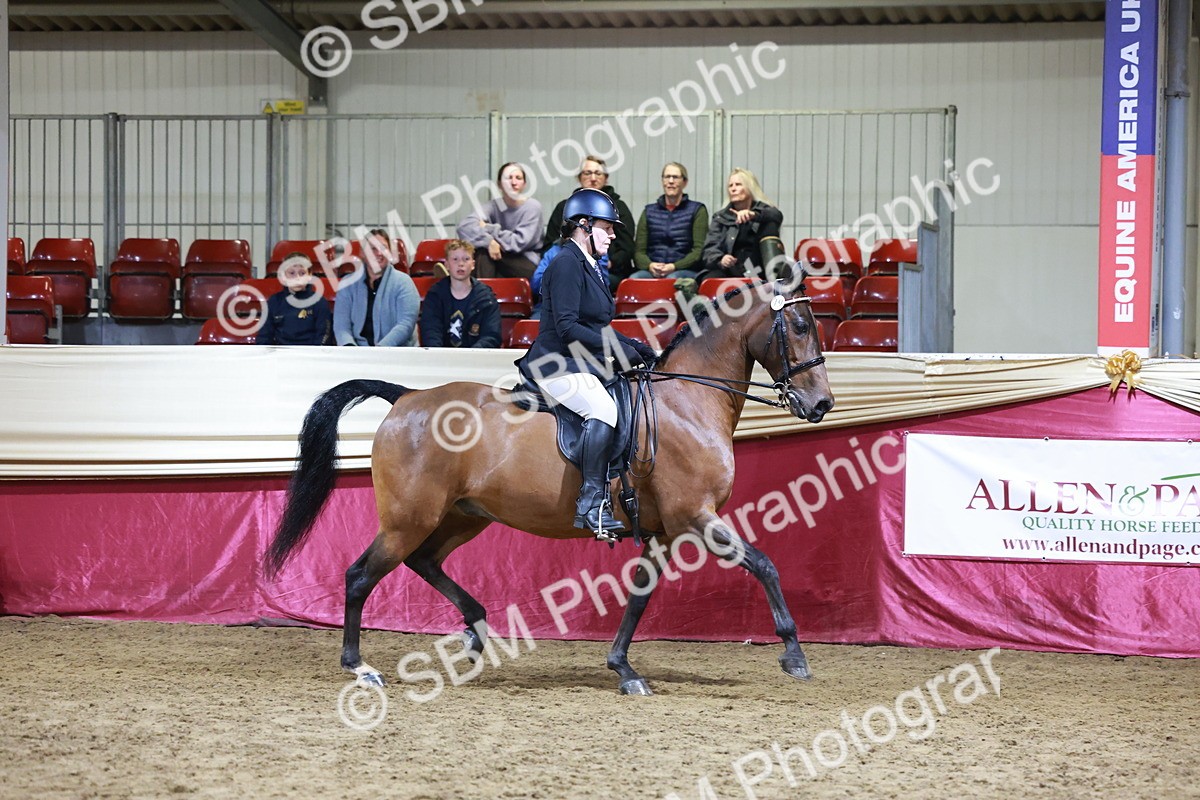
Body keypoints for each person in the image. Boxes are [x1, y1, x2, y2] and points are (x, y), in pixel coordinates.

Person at [517, 188, 657, 541]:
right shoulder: (566, 262)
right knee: (602, 409)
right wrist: (617, 348)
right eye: (607, 228)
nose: (612, 236)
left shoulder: (591, 265)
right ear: (584, 225)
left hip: (580, 361)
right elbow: (567, 327)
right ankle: (591, 504)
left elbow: (598, 326)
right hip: (555, 362)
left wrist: (635, 347)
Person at [542, 156, 636, 289]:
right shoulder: (565, 207)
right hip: (567, 266)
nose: (593, 178)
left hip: (609, 271)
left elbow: (627, 247)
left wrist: (610, 263)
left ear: (606, 178)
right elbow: (549, 244)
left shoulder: (618, 207)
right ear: (579, 177)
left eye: (598, 173)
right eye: (587, 173)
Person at [456, 162, 543, 279]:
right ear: (499, 184)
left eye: (518, 178)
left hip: (526, 262)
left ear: (524, 184)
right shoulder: (494, 206)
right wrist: (489, 242)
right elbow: (464, 227)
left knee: (484, 253)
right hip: (500, 259)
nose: (513, 182)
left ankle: (458, 279)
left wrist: (488, 228)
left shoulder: (532, 207)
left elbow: (517, 243)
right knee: (484, 250)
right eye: (508, 178)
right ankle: (473, 284)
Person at [333, 233, 420, 347]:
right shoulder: (346, 284)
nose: (379, 253)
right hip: (356, 352)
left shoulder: (404, 282)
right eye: (373, 248)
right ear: (362, 253)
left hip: (396, 352)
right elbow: (341, 326)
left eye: (384, 248)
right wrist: (350, 349)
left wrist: (379, 351)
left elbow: (405, 324)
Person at [699, 168, 786, 281]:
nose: (733, 189)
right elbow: (710, 248)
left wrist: (754, 215)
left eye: (738, 184)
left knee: (769, 222)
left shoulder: (764, 210)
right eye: (730, 186)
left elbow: (777, 215)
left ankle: (775, 277)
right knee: (709, 280)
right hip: (731, 269)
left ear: (750, 188)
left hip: (758, 267)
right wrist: (720, 259)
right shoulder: (721, 217)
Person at [631, 162, 708, 282]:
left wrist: (674, 266)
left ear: (685, 182)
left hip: (685, 270)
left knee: (671, 280)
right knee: (634, 280)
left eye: (675, 177)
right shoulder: (648, 211)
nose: (671, 181)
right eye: (667, 177)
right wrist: (650, 265)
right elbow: (639, 252)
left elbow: (699, 251)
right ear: (662, 181)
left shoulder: (697, 210)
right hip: (652, 270)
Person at [419, 240, 502, 348]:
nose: (461, 264)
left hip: (477, 357)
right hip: (441, 357)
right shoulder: (435, 295)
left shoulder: (486, 298)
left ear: (473, 265)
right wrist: (439, 355)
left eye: (466, 259)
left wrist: (471, 355)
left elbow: (491, 335)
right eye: (455, 259)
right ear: (447, 265)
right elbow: (430, 332)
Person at [256, 253, 332, 346]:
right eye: (292, 273)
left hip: (311, 352)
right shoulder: (274, 301)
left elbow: (324, 336)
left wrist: (314, 353)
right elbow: (264, 336)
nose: (297, 278)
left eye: (302, 273)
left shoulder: (319, 302)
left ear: (309, 276)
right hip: (281, 352)